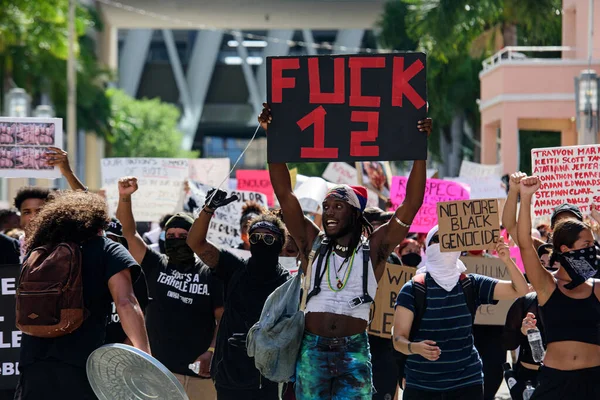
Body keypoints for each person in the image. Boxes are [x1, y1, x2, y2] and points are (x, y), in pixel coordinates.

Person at [259, 103, 432, 399]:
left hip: (354, 352)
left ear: (354, 214)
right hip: (312, 351)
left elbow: (412, 204)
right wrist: (273, 135)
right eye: (326, 207)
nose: (328, 212)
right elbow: (284, 194)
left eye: (337, 206)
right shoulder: (311, 242)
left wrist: (419, 148)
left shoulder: (375, 249)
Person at [16, 191, 149, 400]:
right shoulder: (109, 250)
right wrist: (144, 355)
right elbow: (126, 302)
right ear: (99, 223)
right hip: (81, 364)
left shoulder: (38, 253)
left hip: (33, 362)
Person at [116, 177, 223, 400]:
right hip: (158, 373)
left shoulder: (210, 273)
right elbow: (128, 233)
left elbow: (223, 319)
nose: (175, 240)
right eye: (170, 236)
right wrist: (125, 197)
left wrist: (211, 352)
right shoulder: (155, 264)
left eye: (183, 236)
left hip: (199, 375)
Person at [393, 226, 529, 400]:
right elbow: (398, 339)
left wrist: (507, 260)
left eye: (449, 240)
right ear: (427, 248)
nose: (443, 245)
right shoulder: (413, 289)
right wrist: (415, 347)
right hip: (422, 384)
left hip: (467, 383)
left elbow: (521, 289)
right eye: (437, 240)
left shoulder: (471, 284)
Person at [187, 195, 291, 400]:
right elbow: (195, 242)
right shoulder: (233, 268)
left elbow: (291, 330)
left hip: (267, 379)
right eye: (255, 237)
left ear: (280, 244)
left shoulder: (287, 283)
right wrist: (209, 209)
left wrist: (261, 340)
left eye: (268, 239)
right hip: (229, 375)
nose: (261, 242)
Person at [517, 176, 600, 399]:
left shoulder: (597, 288)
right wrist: (525, 197)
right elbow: (524, 243)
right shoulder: (547, 286)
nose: (594, 250)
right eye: (587, 245)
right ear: (565, 248)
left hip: (594, 383)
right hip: (555, 383)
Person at [103, 217, 150, 345]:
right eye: (105, 240)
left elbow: (140, 311)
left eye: (113, 240)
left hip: (119, 352)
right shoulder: (83, 269)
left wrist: (126, 351)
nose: (108, 245)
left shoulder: (134, 273)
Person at [503, 293, 545, 400]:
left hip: (563, 377)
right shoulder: (526, 302)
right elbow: (508, 343)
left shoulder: (575, 302)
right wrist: (522, 332)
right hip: (529, 378)